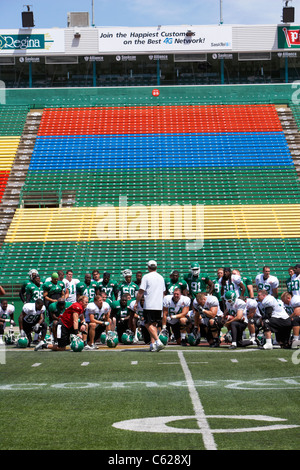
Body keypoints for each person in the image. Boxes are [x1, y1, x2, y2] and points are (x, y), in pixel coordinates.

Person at [134, 260, 166, 352]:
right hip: (158, 304)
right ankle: (152, 345)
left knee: (147, 324)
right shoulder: (161, 277)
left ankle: (158, 341)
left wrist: (137, 302)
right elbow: (163, 292)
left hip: (149, 304)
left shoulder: (146, 277)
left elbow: (141, 291)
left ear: (148, 267)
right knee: (154, 325)